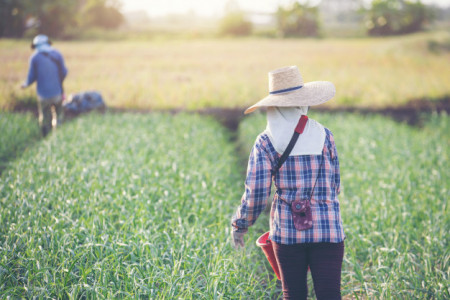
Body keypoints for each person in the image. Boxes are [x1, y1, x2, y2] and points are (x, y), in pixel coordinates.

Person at [231, 66, 345, 300]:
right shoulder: (325, 135)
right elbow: (336, 186)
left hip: (288, 233)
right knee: (330, 295)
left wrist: (239, 226)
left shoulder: (266, 141)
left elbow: (256, 195)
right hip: (329, 230)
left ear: (272, 106)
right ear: (302, 102)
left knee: (293, 294)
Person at [21, 34, 68, 136]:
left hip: (43, 95)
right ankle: (58, 135)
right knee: (59, 115)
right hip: (57, 92)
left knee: (45, 117)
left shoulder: (34, 58)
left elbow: (31, 77)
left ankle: (45, 136)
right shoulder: (57, 54)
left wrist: (25, 84)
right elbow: (64, 72)